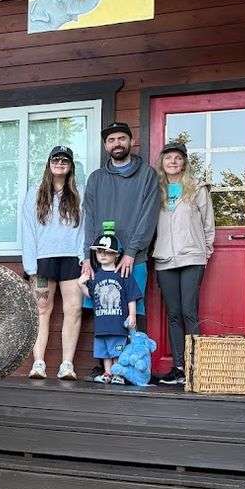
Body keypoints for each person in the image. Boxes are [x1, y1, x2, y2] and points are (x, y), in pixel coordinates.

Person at [81, 121, 159, 377]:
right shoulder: (96, 178)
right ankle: (107, 365)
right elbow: (89, 218)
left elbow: (148, 217)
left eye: (121, 138)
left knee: (132, 310)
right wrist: (87, 257)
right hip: (101, 258)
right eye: (111, 139)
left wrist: (130, 252)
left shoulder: (147, 174)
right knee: (103, 308)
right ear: (105, 145)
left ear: (130, 141)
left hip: (132, 258)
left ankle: (132, 366)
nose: (117, 143)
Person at [152, 140, 215, 385]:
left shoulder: (197, 189)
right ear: (162, 162)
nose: (173, 161)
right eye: (168, 157)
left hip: (192, 257)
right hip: (164, 258)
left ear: (184, 162)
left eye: (178, 157)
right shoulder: (156, 190)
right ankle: (178, 369)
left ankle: (194, 368)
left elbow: (209, 226)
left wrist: (204, 253)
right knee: (174, 314)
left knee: (189, 311)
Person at [22, 145, 85, 380]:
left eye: (65, 160)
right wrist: (30, 266)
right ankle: (38, 363)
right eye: (55, 159)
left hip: (71, 259)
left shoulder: (80, 192)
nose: (60, 163)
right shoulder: (35, 192)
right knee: (41, 310)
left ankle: (66, 365)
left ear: (70, 166)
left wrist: (83, 258)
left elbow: (85, 229)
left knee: (74, 310)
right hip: (42, 262)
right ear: (49, 164)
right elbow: (28, 230)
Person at [77, 229, 142, 383]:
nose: (103, 255)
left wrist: (132, 314)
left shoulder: (123, 274)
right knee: (105, 352)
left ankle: (119, 373)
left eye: (107, 252)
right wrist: (81, 285)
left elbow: (131, 297)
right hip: (101, 325)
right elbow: (92, 295)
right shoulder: (95, 276)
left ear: (116, 254)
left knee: (117, 352)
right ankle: (108, 373)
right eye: (99, 252)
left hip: (117, 325)